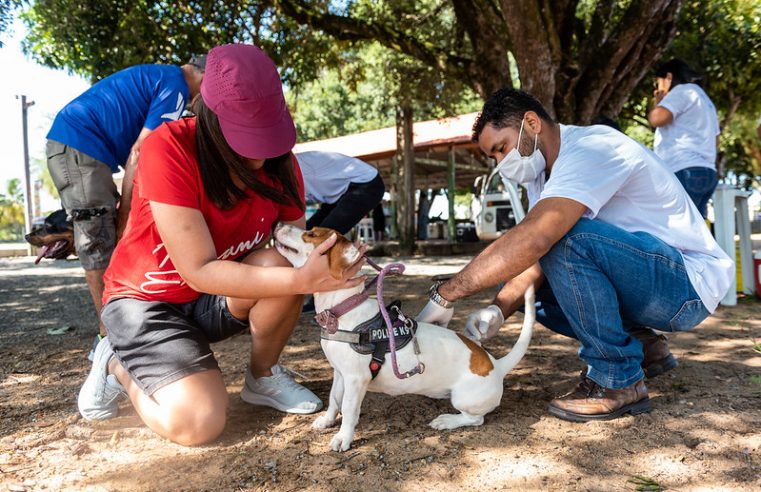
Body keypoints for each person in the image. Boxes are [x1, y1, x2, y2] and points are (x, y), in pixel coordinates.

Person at [76, 44, 366, 446]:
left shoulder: (282, 163)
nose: (259, 158)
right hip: (147, 301)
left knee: (281, 264)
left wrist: (331, 267)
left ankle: (262, 377)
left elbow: (293, 245)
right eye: (245, 139)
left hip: (214, 297)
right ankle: (115, 363)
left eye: (266, 136)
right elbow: (198, 269)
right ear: (208, 117)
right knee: (198, 423)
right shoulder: (169, 147)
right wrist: (304, 280)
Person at [417, 88, 733, 423]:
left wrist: (446, 294)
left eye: (502, 148)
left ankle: (618, 381)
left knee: (565, 237)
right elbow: (535, 258)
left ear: (532, 123)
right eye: (493, 157)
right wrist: (498, 309)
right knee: (532, 299)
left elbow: (540, 238)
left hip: (685, 285)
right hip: (651, 281)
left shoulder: (592, 148)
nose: (500, 162)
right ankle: (643, 347)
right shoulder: (541, 177)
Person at [46, 55, 206, 352]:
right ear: (204, 76)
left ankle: (122, 328)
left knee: (106, 235)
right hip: (80, 146)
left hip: (81, 147)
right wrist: (126, 216)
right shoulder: (176, 87)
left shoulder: (163, 79)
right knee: (98, 239)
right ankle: (109, 339)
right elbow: (142, 152)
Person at [648, 59, 720, 219]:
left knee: (675, 229)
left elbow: (656, 119)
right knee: (695, 232)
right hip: (706, 171)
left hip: (684, 169)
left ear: (668, 78)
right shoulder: (705, 100)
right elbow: (716, 141)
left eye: (657, 82)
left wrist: (659, 103)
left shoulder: (682, 91)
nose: (657, 87)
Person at [296, 151, 385, 235]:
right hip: (339, 193)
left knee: (323, 235)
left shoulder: (291, 168)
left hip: (365, 183)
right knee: (307, 233)